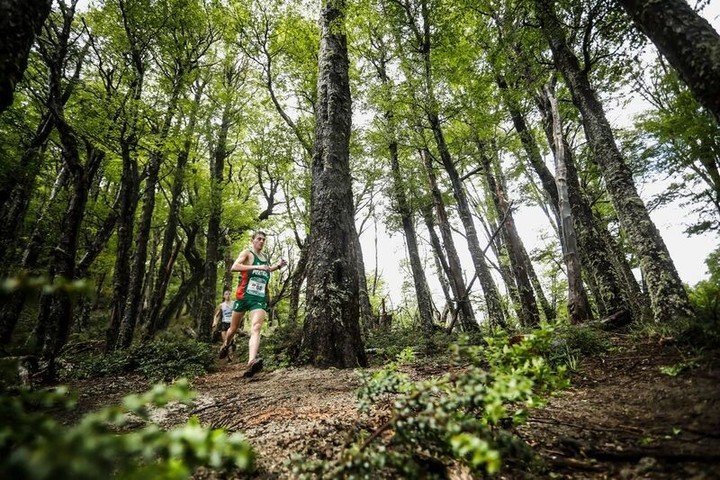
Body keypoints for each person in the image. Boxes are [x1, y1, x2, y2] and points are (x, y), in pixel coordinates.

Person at [219, 231, 286, 377]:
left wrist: (278, 266)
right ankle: (225, 345)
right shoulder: (248, 253)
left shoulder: (264, 259)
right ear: (253, 240)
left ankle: (251, 362)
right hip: (243, 297)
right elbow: (235, 267)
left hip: (259, 299)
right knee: (233, 329)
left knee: (256, 327)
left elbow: (266, 269)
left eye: (263, 239)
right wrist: (256, 267)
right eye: (259, 239)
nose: (261, 241)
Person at [212, 290, 235, 359]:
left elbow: (238, 314)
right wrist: (214, 322)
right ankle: (227, 355)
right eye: (226, 294)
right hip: (224, 324)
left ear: (231, 295)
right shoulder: (221, 305)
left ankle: (229, 355)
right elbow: (216, 315)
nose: (228, 295)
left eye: (229, 294)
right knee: (225, 341)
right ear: (224, 296)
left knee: (231, 341)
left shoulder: (234, 303)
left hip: (232, 324)